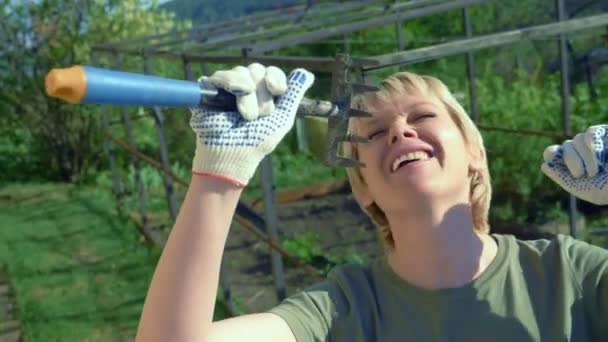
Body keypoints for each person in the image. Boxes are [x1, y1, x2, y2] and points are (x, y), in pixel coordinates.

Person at [135, 63, 608, 342]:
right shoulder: (342, 310)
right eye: (375, 133)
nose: (400, 131)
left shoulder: (573, 278)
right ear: (363, 189)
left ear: (474, 154)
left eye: (421, 115)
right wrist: (220, 174)